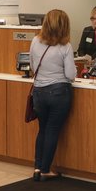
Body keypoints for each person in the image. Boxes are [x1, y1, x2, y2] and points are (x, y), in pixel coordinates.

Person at [30, 9, 76, 181]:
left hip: (39, 92)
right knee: (52, 130)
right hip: (58, 92)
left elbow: (33, 67)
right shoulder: (65, 46)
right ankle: (45, 170)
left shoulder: (35, 41)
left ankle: (37, 168)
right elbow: (70, 74)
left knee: (42, 129)